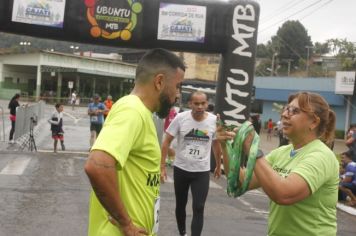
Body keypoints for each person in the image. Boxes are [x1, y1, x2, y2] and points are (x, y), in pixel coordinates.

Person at [84, 48, 185, 236]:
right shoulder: (132, 110)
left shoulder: (141, 113)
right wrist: (126, 224)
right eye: (178, 86)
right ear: (160, 81)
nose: (178, 95)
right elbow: (97, 165)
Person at [217, 92, 339, 235]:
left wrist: (253, 150)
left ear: (314, 122)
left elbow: (284, 194)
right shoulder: (282, 152)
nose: (285, 115)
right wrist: (225, 145)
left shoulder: (321, 156)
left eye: (295, 111)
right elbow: (239, 182)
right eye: (286, 109)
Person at [161, 91, 222, 236]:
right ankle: (182, 233)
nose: (200, 106)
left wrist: (219, 165)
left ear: (207, 104)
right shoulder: (181, 118)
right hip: (181, 169)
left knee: (199, 207)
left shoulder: (214, 121)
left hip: (201, 171)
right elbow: (166, 142)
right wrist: (162, 166)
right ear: (190, 104)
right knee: (180, 205)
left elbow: (216, 144)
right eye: (196, 103)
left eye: (203, 103)